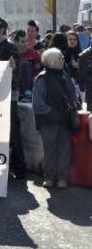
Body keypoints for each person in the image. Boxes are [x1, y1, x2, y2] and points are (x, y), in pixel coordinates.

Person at [33, 48, 79, 189]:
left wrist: (74, 104)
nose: (63, 60)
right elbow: (38, 104)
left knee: (64, 149)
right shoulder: (42, 78)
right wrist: (54, 112)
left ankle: (62, 179)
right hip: (49, 121)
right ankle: (50, 178)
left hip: (65, 120)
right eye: (60, 58)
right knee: (50, 149)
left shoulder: (64, 75)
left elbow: (74, 94)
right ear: (53, 61)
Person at [0, 17, 25, 179]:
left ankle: (19, 168)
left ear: (2, 28)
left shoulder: (9, 47)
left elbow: (14, 70)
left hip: (8, 95)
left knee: (12, 132)